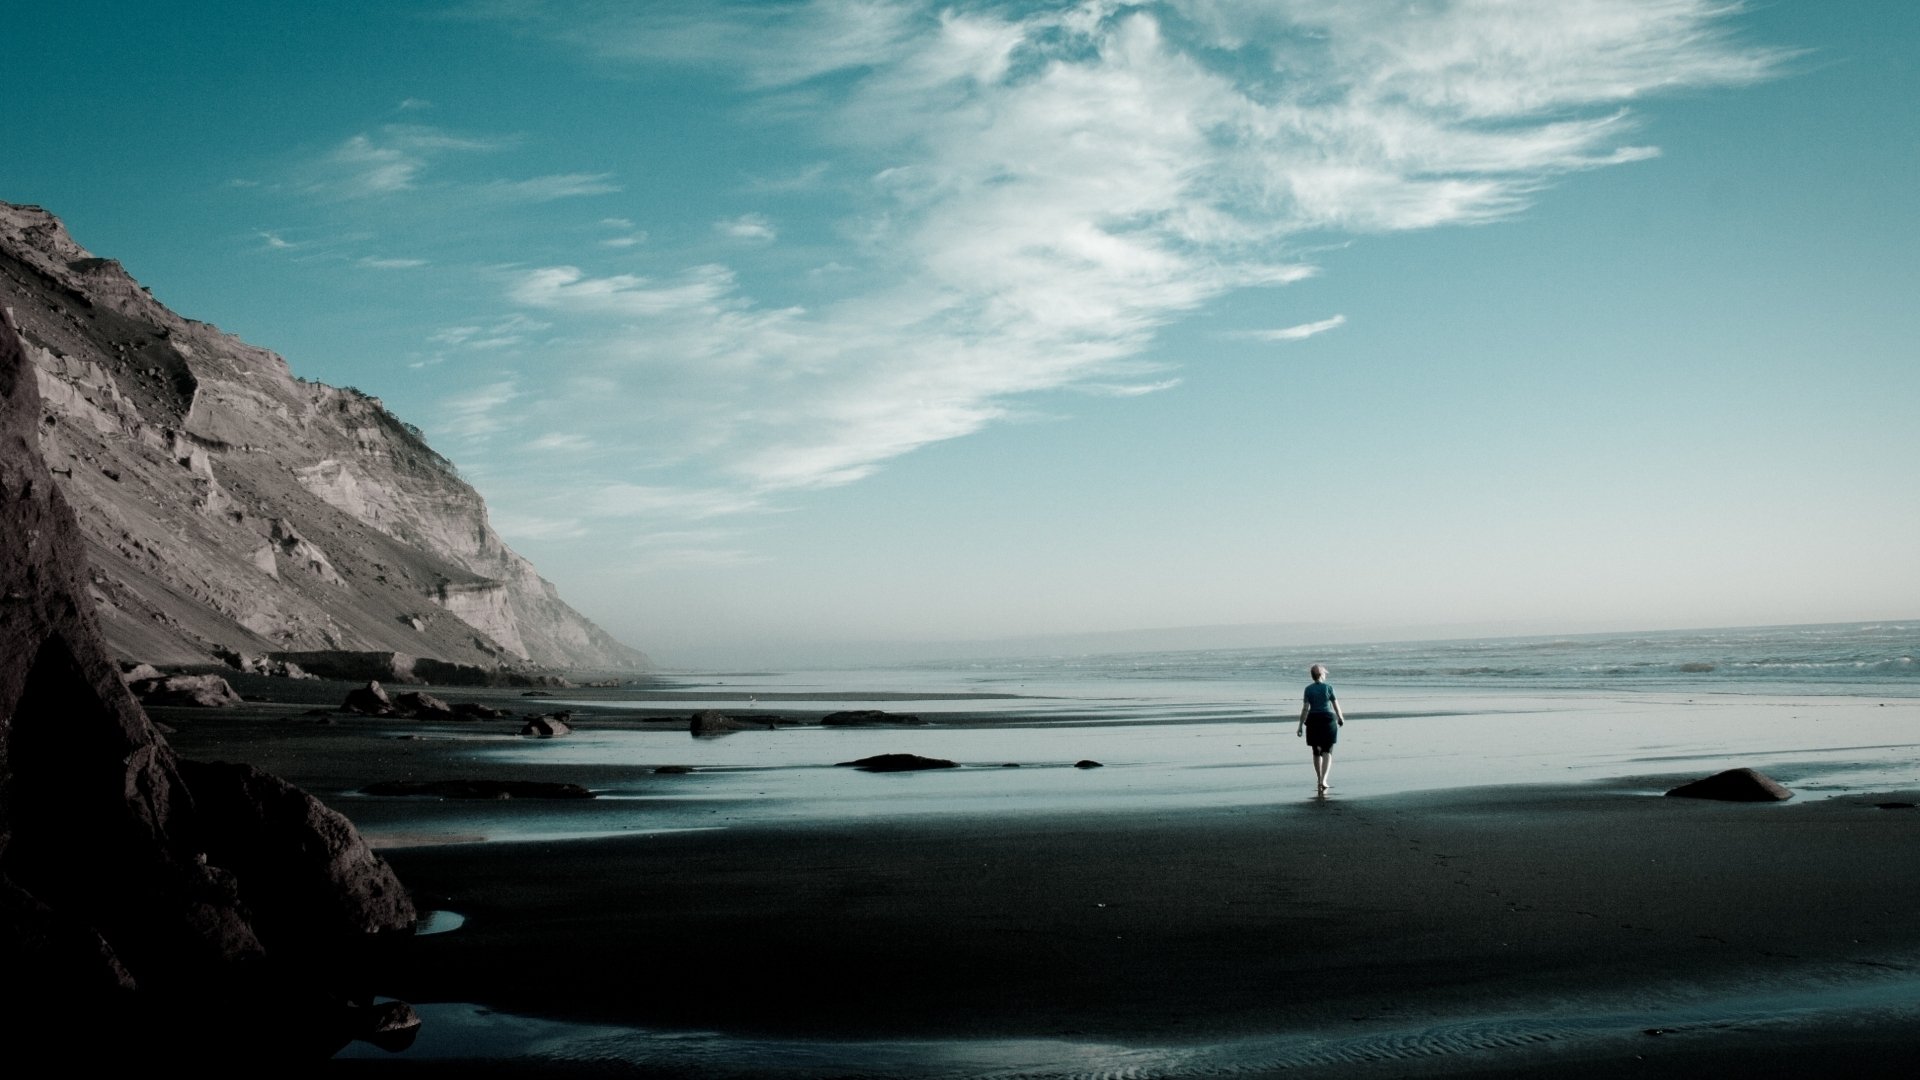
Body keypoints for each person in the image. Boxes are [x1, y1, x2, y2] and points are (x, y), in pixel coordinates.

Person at [1295, 663, 1345, 796]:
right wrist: (1340, 718)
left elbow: (1305, 708)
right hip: (1328, 719)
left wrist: (1300, 725)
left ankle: (1319, 779)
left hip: (1313, 720)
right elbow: (1335, 704)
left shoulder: (1308, 689)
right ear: (1321, 675)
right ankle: (1324, 779)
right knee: (1327, 750)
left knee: (1316, 751)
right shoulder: (1328, 687)